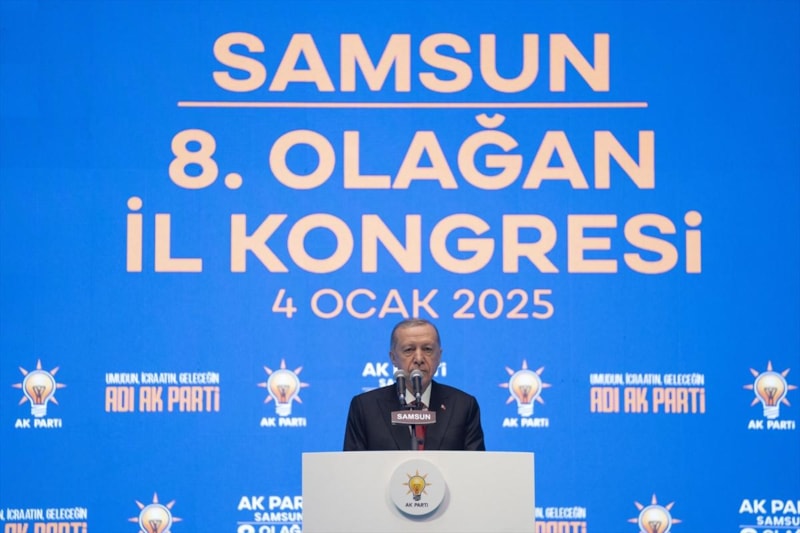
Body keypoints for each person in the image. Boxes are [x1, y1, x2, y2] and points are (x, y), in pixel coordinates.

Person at [343, 318, 486, 451]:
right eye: (409, 350)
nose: (419, 358)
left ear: (439, 356)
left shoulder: (463, 406)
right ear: (393, 358)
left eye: (427, 349)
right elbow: (353, 466)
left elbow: (476, 466)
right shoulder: (365, 408)